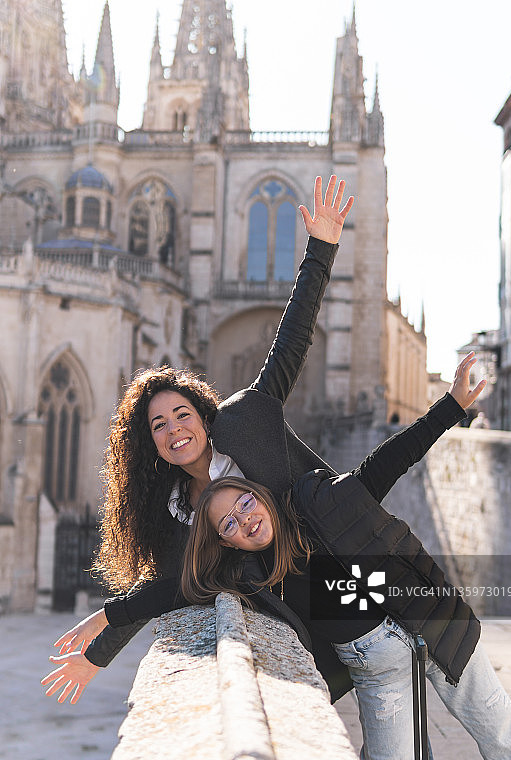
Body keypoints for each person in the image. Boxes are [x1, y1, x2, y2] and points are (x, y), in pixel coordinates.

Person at [64, 356, 511, 760]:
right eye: (227, 524)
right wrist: (104, 627)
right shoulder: (243, 569)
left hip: (426, 613)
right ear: (221, 540)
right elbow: (170, 587)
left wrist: (451, 407)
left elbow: (388, 462)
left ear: (256, 490)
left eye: (245, 504)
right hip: (377, 662)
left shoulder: (314, 501)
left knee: (502, 732)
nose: (243, 521)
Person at [41, 174, 354, 702]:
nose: (173, 430)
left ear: (204, 416)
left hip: (343, 582)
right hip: (302, 640)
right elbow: (162, 588)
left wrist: (321, 249)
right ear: (150, 446)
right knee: (369, 759)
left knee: (424, 687)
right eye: (157, 426)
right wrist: (95, 657)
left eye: (180, 414)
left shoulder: (247, 426)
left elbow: (290, 345)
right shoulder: (173, 508)